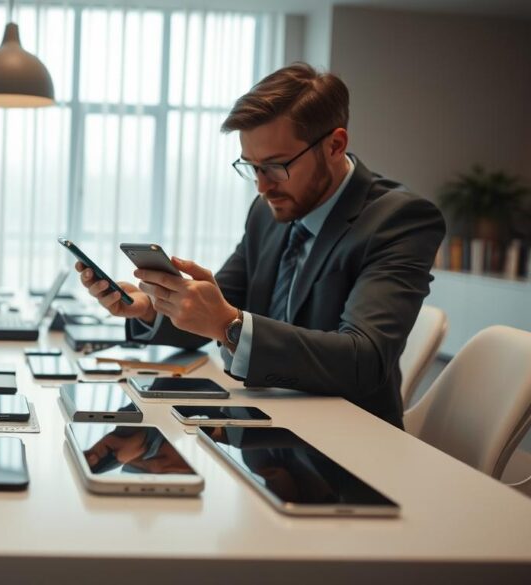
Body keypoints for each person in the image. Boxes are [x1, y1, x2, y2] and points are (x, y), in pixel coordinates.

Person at [75, 63, 445, 428]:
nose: (262, 186)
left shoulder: (401, 219)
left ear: (335, 145)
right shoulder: (267, 212)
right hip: (264, 427)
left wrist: (229, 324)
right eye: (251, 166)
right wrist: (153, 308)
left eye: (276, 166)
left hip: (350, 444)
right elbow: (219, 308)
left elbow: (364, 359)